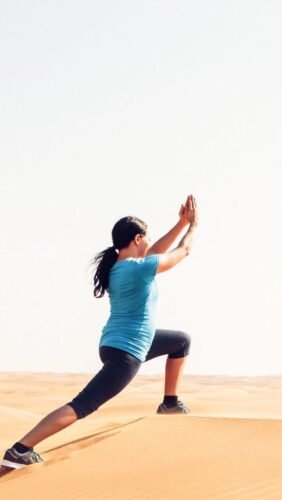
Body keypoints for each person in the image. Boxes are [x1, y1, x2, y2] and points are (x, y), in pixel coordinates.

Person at [1, 195, 200, 478]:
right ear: (138, 238)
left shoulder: (122, 267)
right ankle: (20, 449)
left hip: (118, 343)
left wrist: (180, 222)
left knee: (181, 341)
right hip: (127, 353)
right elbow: (183, 252)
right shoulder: (138, 269)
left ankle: (170, 403)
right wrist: (193, 226)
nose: (149, 244)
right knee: (82, 405)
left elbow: (156, 250)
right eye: (146, 239)